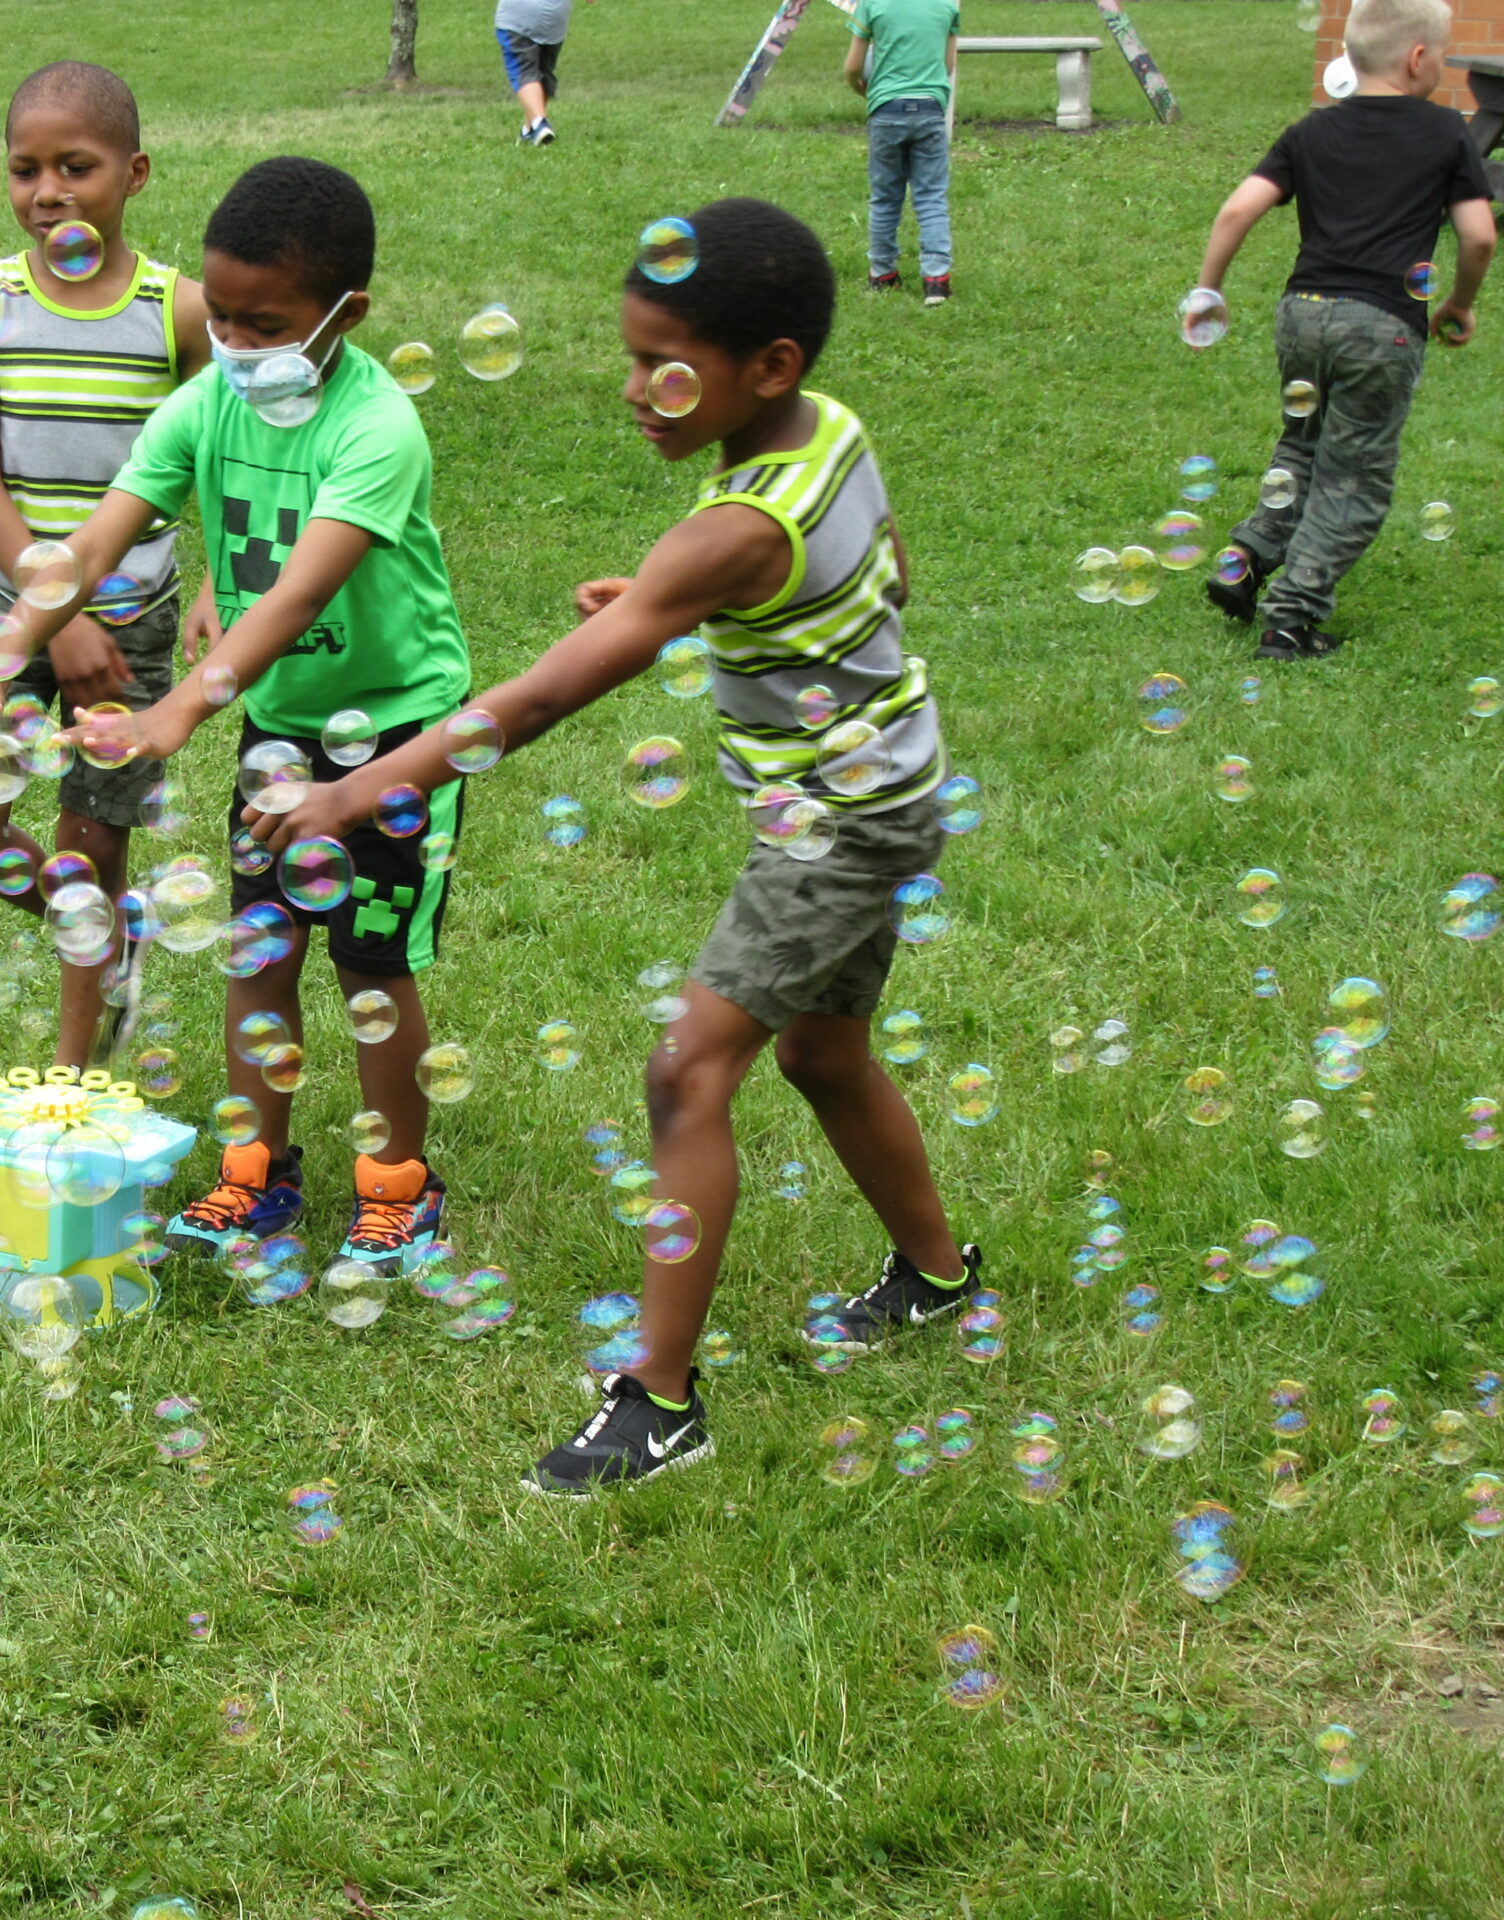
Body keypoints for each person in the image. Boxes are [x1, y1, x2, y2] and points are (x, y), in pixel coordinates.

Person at [251, 198, 982, 1493]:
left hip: (835, 831)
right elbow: (888, 575)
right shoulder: (831, 441)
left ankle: (660, 1401)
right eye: (631, 355)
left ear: (771, 367)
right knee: (821, 1052)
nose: (635, 389)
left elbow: (530, 704)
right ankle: (935, 1277)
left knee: (686, 1075)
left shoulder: (730, 533)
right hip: (894, 788)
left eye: (666, 366)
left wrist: (353, 796)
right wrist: (680, 601)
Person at [0, 156, 472, 1278]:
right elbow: (90, 542)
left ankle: (398, 1192)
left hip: (396, 733)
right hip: (281, 726)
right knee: (260, 948)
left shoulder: (377, 429)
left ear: (344, 316)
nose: (233, 342)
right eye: (220, 318)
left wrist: (177, 711)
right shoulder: (202, 404)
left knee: (371, 962)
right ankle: (254, 1176)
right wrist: (2, 655)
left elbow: (296, 595)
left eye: (262, 323)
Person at [0, 60, 211, 1068]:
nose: (46, 190)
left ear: (133, 174)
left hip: (130, 608)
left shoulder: (179, 310)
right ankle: (99, 931)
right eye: (24, 168)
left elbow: (223, 454)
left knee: (95, 836)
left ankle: (76, 1071)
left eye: (75, 166)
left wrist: (218, 577)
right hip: (3, 598)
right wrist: (61, 614)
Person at [1193, 0, 1492, 662]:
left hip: (1300, 313)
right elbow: (1477, 236)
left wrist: (1208, 289)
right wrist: (1458, 302)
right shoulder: (1447, 132)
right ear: (1419, 59)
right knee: (1353, 475)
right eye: (1441, 56)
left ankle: (1243, 558)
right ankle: (1289, 620)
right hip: (1379, 325)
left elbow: (1239, 208)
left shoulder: (1310, 131)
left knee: (1302, 446)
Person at [844, 0, 957, 304]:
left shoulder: (871, 5)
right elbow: (947, 66)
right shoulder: (947, 5)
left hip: (885, 110)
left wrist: (862, 89)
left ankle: (883, 274)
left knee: (885, 197)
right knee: (931, 196)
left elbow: (853, 67)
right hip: (930, 107)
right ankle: (936, 280)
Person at [497, 0, 588, 146]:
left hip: (518, 16)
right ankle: (528, 131)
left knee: (523, 71)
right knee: (542, 72)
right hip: (555, 19)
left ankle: (540, 122)